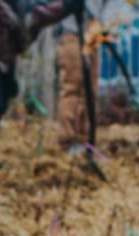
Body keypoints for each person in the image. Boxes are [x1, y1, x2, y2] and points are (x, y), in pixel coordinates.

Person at [0, 0, 85, 165]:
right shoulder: (28, 9)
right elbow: (36, 16)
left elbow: (14, 39)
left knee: (7, 90)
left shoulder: (18, 16)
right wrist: (65, 8)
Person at [53, 0, 107, 152]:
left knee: (90, 91)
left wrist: (103, 26)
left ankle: (84, 141)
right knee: (72, 88)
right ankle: (67, 141)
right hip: (72, 34)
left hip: (94, 36)